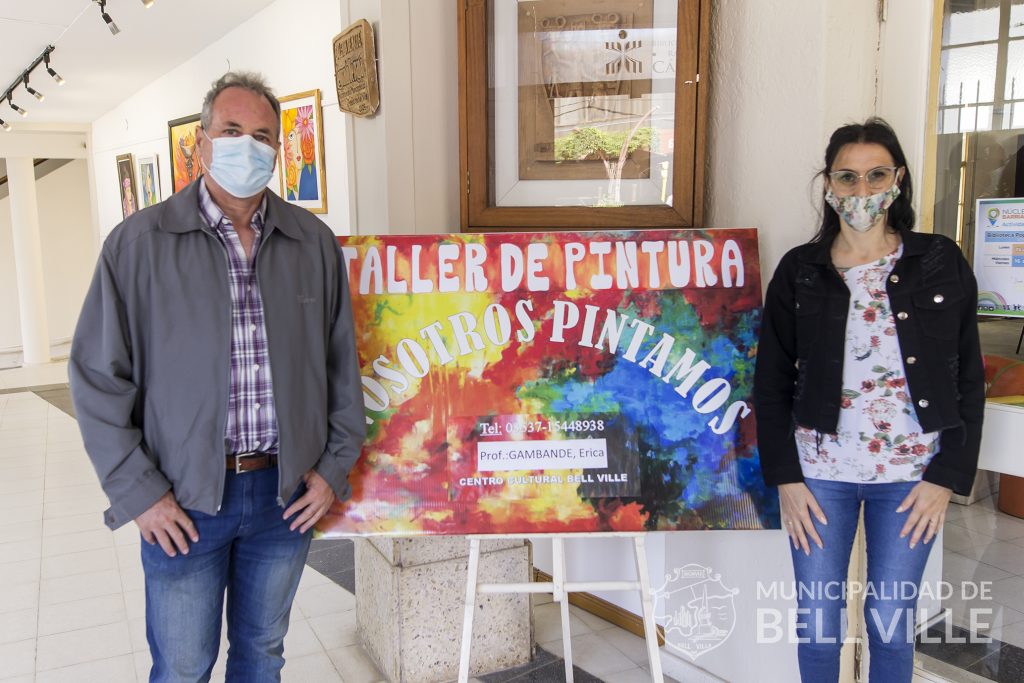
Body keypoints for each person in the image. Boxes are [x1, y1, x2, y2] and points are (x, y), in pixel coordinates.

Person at [70, 72, 366, 682]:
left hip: (285, 497)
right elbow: (98, 378)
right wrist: (140, 493)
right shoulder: (138, 244)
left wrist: (334, 469)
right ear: (200, 143)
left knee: (262, 655)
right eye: (231, 131)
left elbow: (341, 367)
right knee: (181, 667)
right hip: (183, 499)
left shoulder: (311, 243)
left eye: (262, 136)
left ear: (278, 152)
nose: (247, 147)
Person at [754, 118, 984, 683]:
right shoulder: (799, 270)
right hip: (818, 475)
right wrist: (786, 476)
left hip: (912, 476)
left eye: (876, 175)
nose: (862, 192)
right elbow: (771, 381)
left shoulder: (940, 260)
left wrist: (946, 475)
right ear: (829, 185)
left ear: (898, 179)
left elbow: (969, 379)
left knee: (889, 621)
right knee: (818, 622)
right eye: (848, 177)